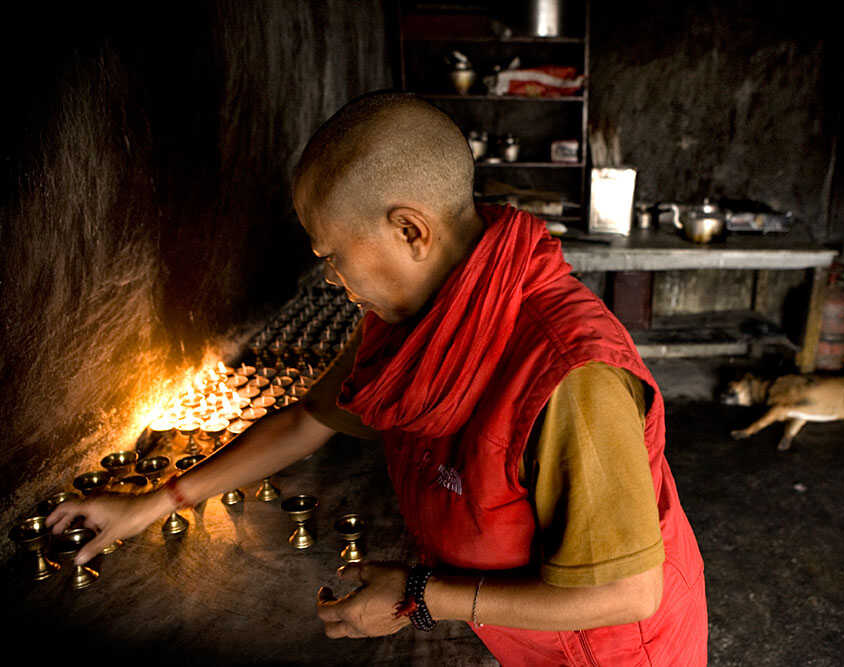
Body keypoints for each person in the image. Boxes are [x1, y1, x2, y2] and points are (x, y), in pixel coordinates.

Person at [47, 91, 707, 665]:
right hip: (523, 640)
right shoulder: (412, 320)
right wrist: (156, 501)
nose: (334, 281)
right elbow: (311, 416)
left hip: (614, 651)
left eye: (334, 256)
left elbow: (626, 592)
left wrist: (421, 596)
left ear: (410, 229)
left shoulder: (570, 375)